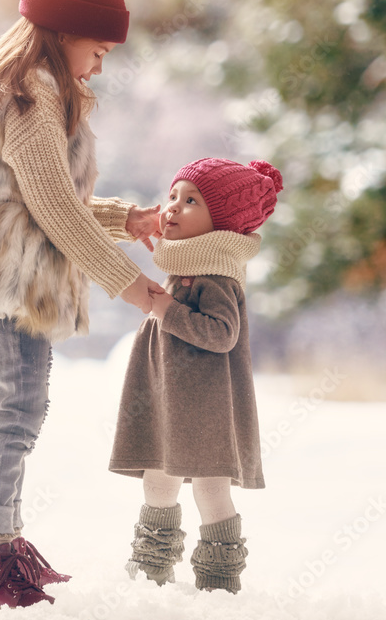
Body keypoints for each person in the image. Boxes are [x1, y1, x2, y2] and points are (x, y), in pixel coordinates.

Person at [0, 0, 164, 610]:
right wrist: (137, 287)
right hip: (12, 271)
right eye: (98, 47)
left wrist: (129, 219)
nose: (100, 63)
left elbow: (50, 197)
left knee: (21, 407)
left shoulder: (34, 91)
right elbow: (55, 214)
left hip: (17, 266)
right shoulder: (31, 98)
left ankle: (0, 545)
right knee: (15, 409)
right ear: (65, 30)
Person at [108, 156, 283, 594]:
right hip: (168, 401)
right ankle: (151, 568)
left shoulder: (217, 277)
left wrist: (166, 309)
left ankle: (220, 578)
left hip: (205, 410)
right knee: (157, 478)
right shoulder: (182, 269)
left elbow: (221, 334)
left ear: (220, 224)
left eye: (190, 201)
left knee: (210, 488)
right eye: (172, 195)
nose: (172, 207)